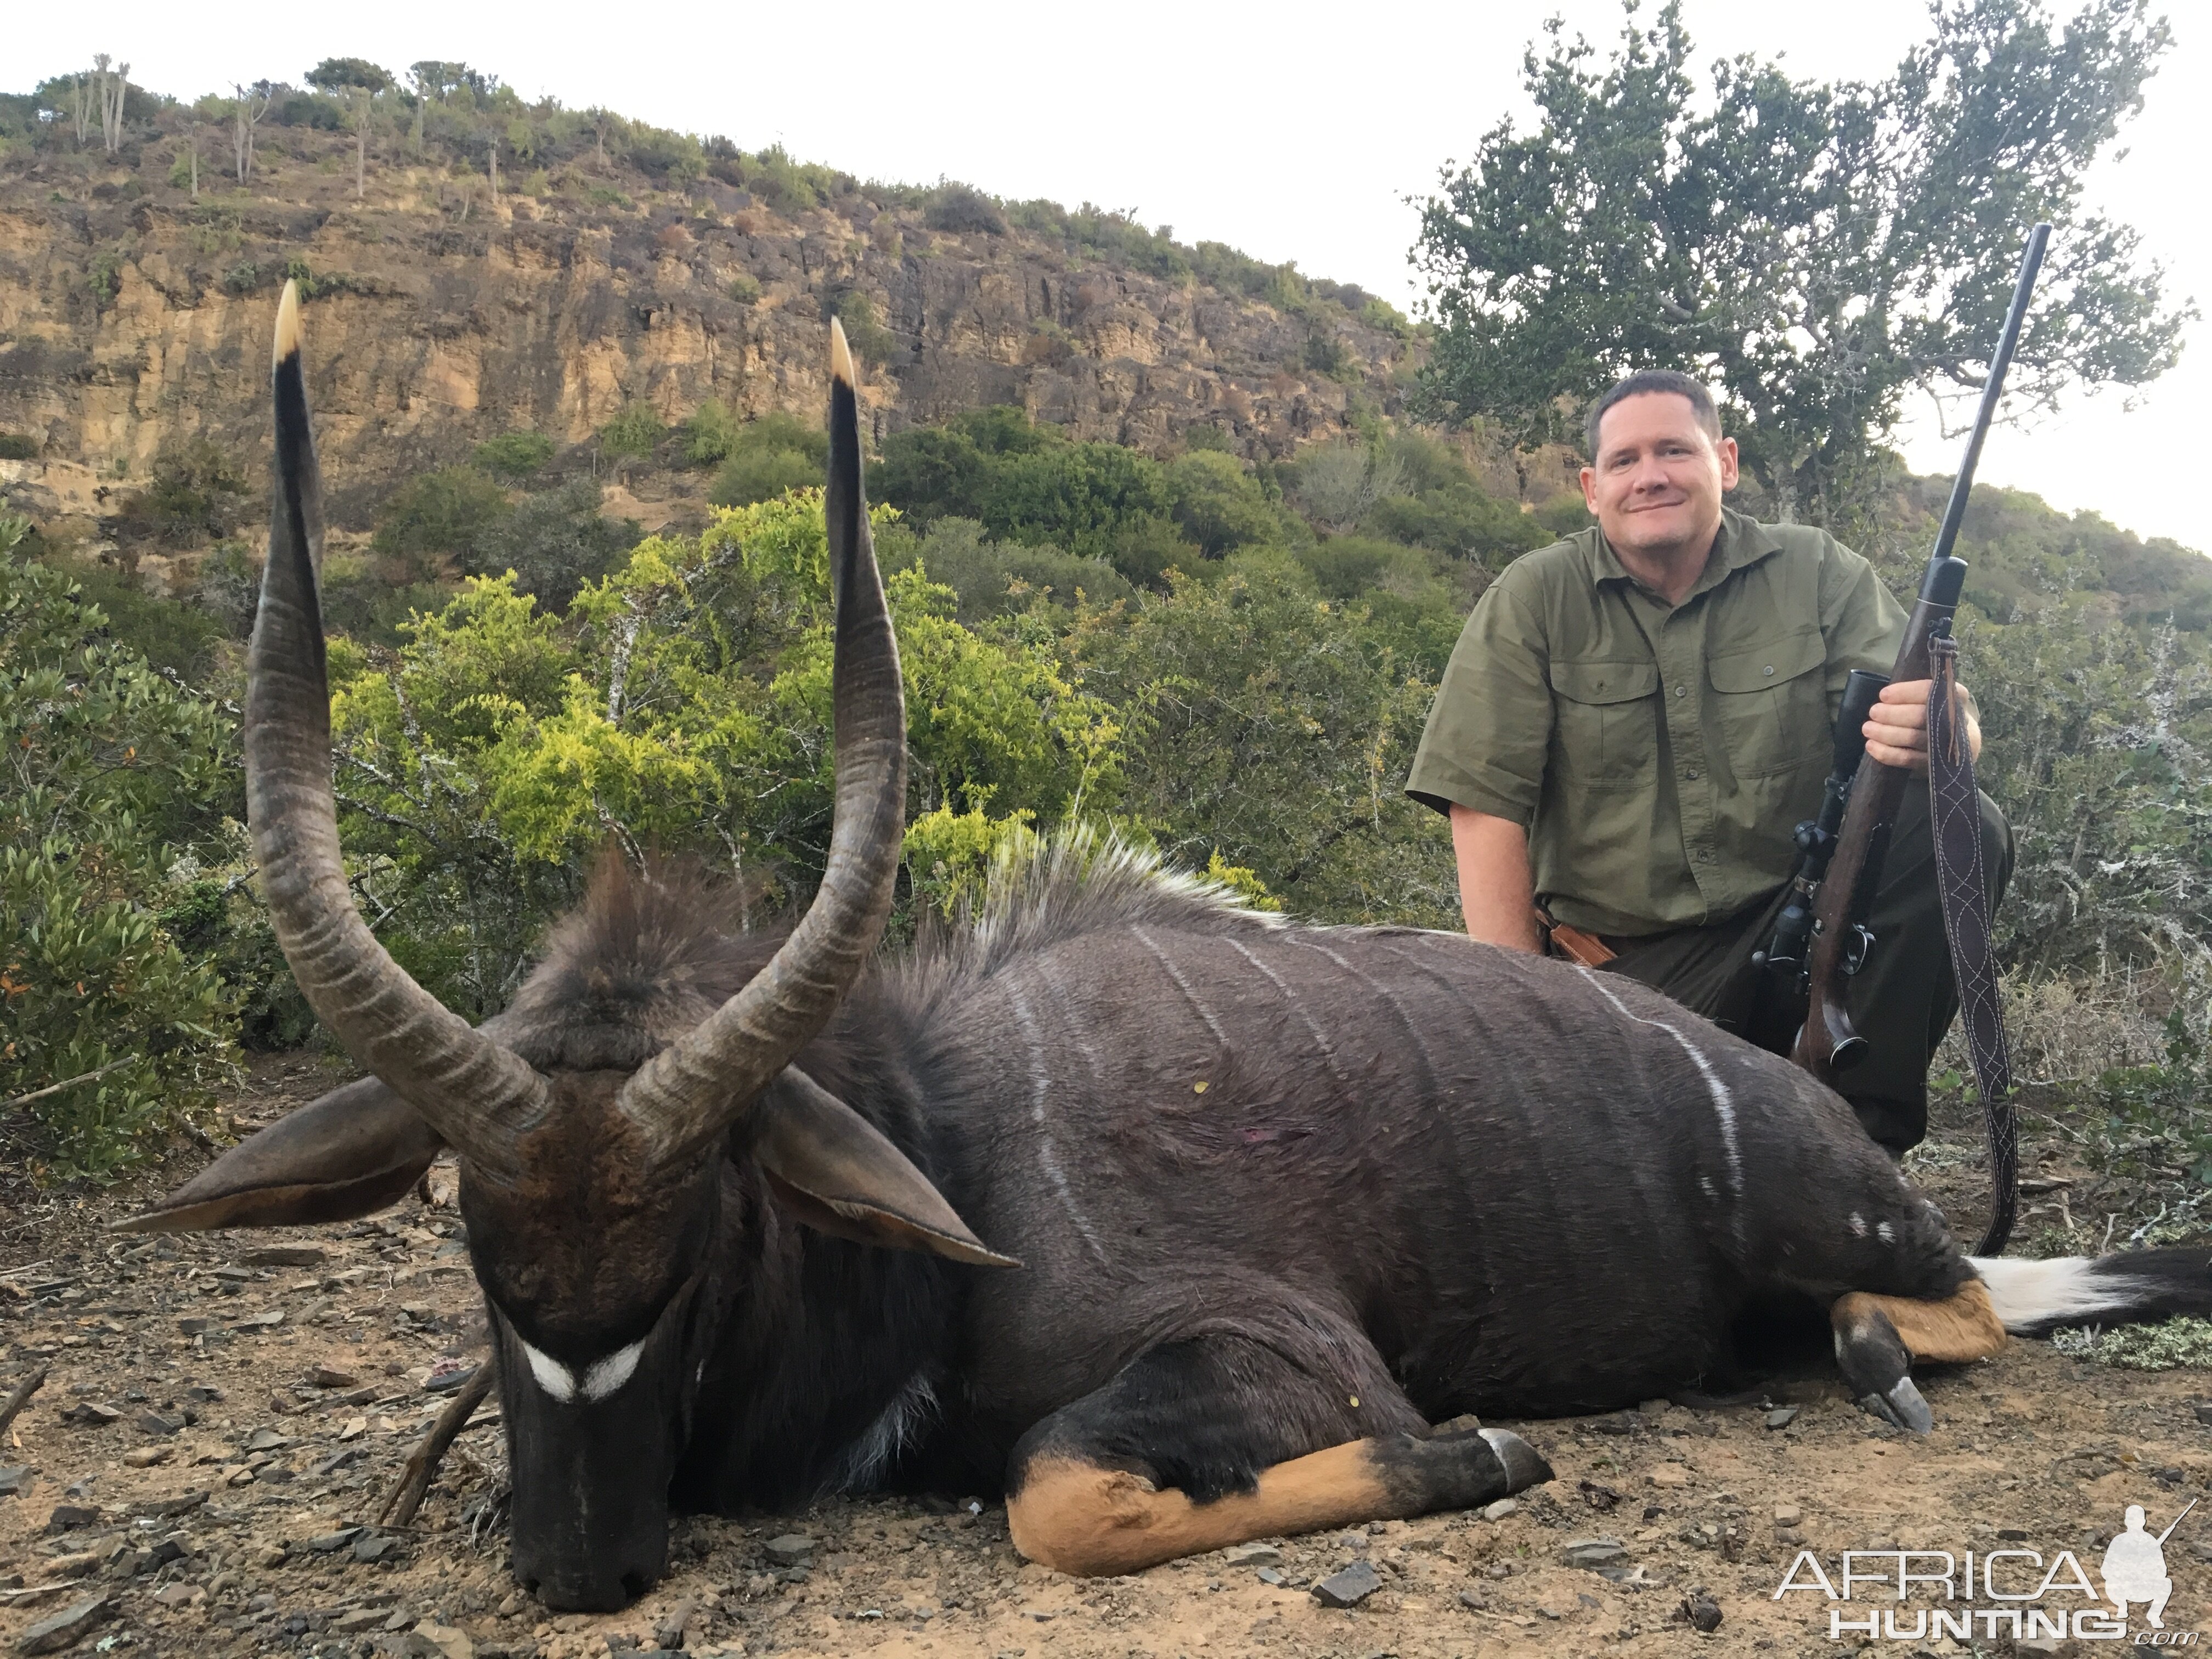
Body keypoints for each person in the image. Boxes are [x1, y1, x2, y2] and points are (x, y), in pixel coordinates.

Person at [1404, 369, 2012, 1156]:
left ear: (1724, 461)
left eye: (1673, 451)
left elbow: (1933, 714)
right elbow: (1483, 808)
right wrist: (1530, 1031)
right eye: (1624, 461)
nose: (1649, 475)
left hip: (1797, 921)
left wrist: (1950, 729)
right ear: (1592, 489)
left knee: (1963, 824)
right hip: (1625, 969)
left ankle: (1861, 1153)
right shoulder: (1535, 597)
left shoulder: (1815, 569)